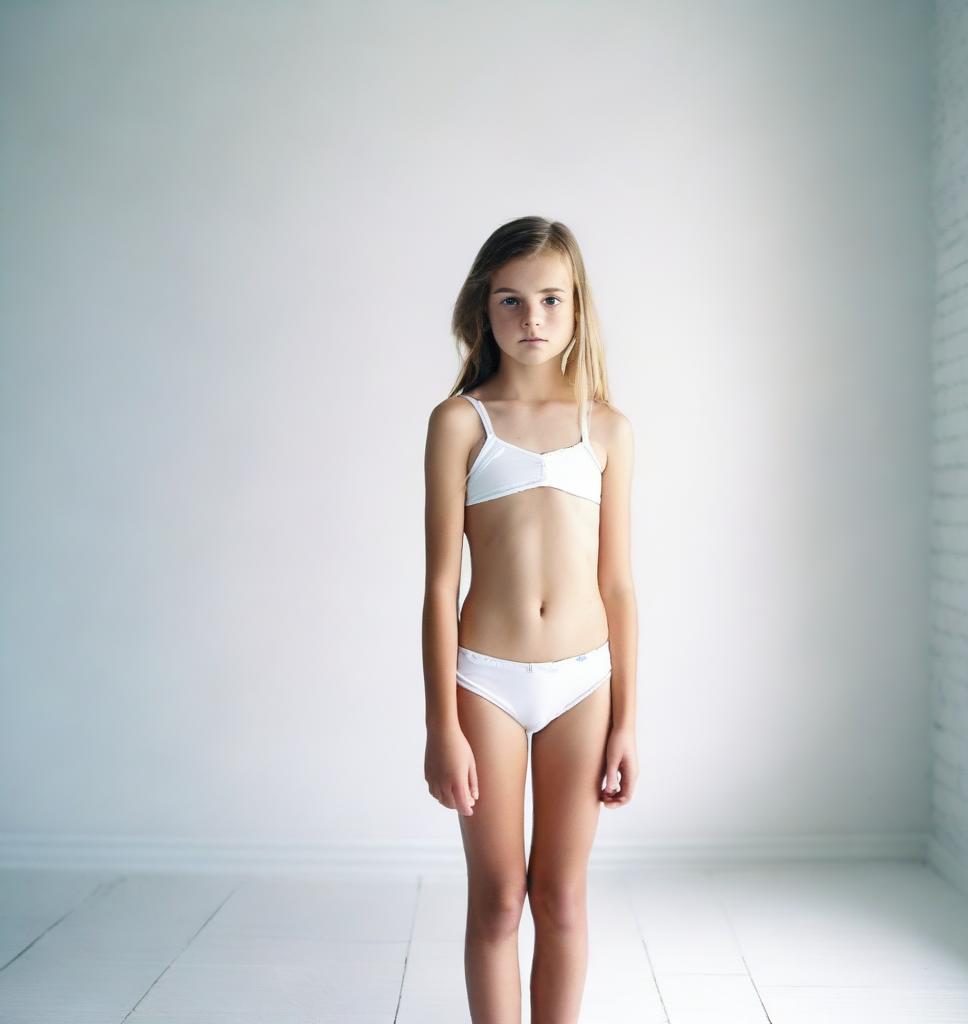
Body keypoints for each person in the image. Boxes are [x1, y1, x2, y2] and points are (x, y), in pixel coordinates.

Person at [421, 215, 639, 1023]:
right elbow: (441, 586)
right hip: (486, 681)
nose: (532, 320)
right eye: (510, 301)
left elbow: (618, 585)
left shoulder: (608, 430)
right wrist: (441, 722)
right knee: (499, 900)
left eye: (551, 299)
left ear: (577, 307)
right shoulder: (460, 424)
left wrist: (626, 718)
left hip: (585, 683)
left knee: (563, 897)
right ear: (484, 309)